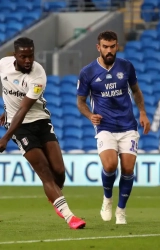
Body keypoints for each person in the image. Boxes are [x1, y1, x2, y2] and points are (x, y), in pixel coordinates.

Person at [0, 37, 86, 229]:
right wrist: (7, 112)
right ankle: (70, 216)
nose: (28, 60)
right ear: (15, 56)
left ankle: (55, 196)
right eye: (23, 56)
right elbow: (10, 94)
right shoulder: (3, 65)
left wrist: (4, 138)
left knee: (59, 172)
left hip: (40, 121)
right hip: (19, 128)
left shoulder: (38, 76)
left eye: (31, 55)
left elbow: (23, 109)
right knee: (44, 171)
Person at [76, 30, 150, 224]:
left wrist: (142, 112)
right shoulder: (88, 72)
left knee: (128, 169)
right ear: (98, 47)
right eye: (105, 47)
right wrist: (90, 115)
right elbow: (81, 102)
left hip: (127, 125)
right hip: (105, 126)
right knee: (110, 165)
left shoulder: (126, 66)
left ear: (117, 46)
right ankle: (107, 199)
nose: (109, 50)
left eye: (112, 46)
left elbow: (136, 91)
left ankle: (121, 211)